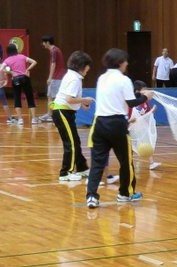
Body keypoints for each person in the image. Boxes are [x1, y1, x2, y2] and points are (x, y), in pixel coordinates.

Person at [85, 48, 154, 209]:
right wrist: (145, 97)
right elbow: (131, 102)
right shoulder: (124, 80)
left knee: (97, 163)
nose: (127, 63)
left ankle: (92, 197)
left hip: (100, 124)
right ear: (120, 63)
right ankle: (125, 194)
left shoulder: (101, 78)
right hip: (117, 124)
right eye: (125, 61)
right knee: (126, 162)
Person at [51, 51, 94, 181]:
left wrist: (82, 103)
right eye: (87, 65)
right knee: (70, 142)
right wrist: (84, 100)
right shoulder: (74, 79)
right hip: (62, 112)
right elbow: (69, 99)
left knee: (75, 141)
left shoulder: (72, 76)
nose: (89, 68)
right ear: (81, 66)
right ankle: (66, 173)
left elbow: (69, 97)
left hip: (65, 111)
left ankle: (81, 168)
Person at [3, 43, 39, 124]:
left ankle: (20, 119)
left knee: (17, 98)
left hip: (15, 80)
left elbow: (1, 69)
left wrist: (11, 72)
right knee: (30, 97)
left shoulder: (7, 60)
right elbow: (34, 62)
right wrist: (27, 69)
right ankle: (33, 119)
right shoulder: (22, 56)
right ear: (16, 50)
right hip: (25, 78)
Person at [128, 80, 160, 170]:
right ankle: (129, 163)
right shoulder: (133, 101)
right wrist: (130, 121)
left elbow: (147, 113)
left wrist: (152, 111)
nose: (146, 92)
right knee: (129, 146)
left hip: (140, 126)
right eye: (144, 90)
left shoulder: (145, 101)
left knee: (146, 142)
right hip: (131, 127)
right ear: (137, 91)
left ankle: (152, 162)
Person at [40, 35, 66, 122]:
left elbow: (53, 64)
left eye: (43, 42)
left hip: (56, 77)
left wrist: (50, 78)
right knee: (52, 96)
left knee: (51, 96)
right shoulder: (56, 50)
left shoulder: (53, 51)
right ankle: (51, 114)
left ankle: (51, 115)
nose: (42, 44)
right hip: (59, 77)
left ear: (47, 42)